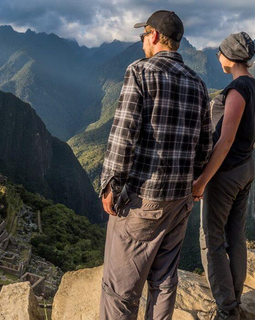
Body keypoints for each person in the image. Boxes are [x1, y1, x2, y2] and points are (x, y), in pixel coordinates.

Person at [99, 10, 212, 319]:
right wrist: (193, 183)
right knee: (163, 282)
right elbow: (205, 146)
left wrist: (111, 183)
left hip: (144, 200)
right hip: (181, 199)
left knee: (120, 289)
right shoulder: (199, 84)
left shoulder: (140, 72)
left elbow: (124, 134)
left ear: (152, 36)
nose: (141, 42)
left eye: (142, 36)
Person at [193, 32, 255, 320]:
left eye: (219, 52)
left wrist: (202, 180)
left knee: (212, 238)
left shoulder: (238, 90)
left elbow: (225, 139)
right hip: (245, 168)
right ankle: (235, 302)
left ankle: (227, 310)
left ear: (229, 57)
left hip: (226, 173)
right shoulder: (252, 86)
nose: (217, 56)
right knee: (235, 235)